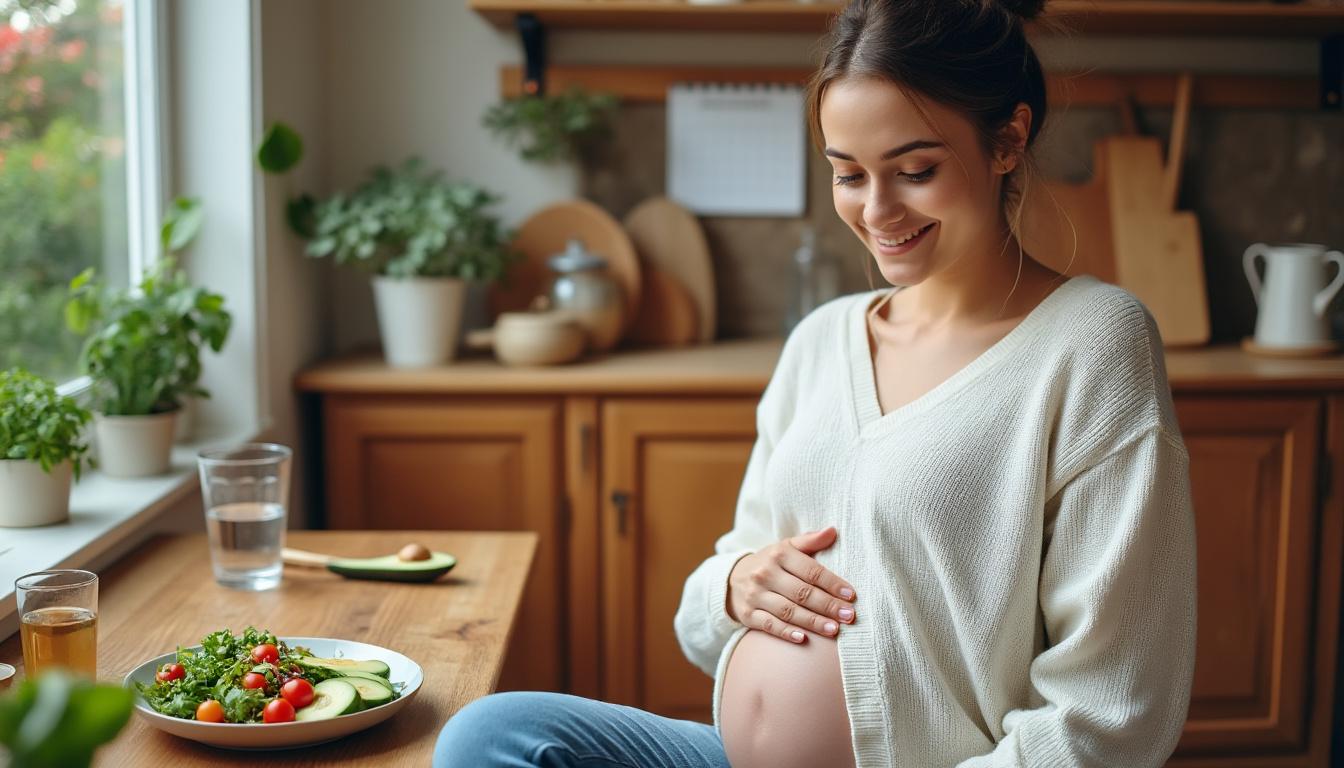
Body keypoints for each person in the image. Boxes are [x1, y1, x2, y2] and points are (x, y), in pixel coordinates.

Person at [433, 0, 1197, 764]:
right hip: (733, 754)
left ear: (1008, 140)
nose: (877, 210)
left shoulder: (1091, 344)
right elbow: (706, 617)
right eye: (847, 174)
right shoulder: (822, 340)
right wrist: (733, 583)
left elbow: (1110, 712)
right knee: (490, 736)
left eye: (916, 170)